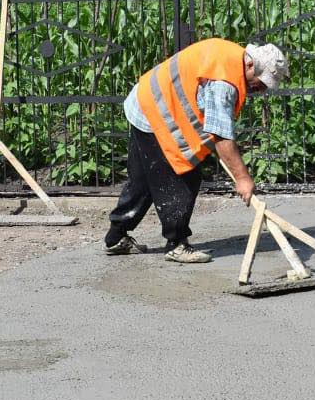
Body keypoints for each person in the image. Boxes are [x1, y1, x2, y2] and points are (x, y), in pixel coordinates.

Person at [103, 38, 288, 263]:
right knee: (184, 177)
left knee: (142, 181)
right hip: (156, 113)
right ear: (251, 65)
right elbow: (221, 135)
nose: (262, 89)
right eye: (262, 82)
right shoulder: (224, 81)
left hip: (145, 101)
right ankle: (177, 244)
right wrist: (242, 178)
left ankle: (115, 237)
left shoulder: (230, 55)